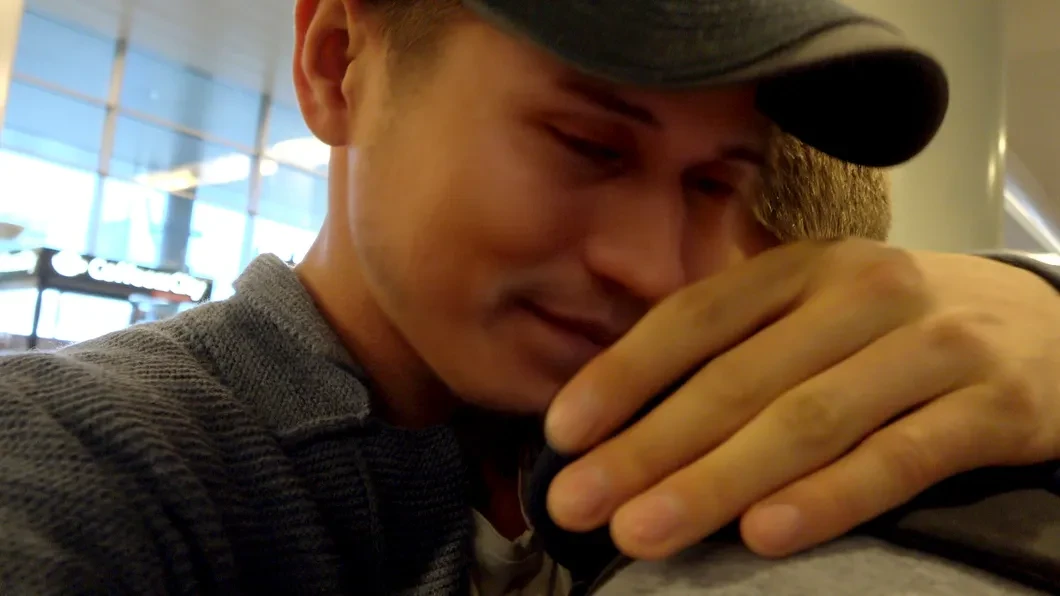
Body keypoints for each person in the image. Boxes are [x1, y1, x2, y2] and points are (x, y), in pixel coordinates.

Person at [2, 1, 1060, 594]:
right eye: (587, 145)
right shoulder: (94, 460)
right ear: (337, 62)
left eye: (712, 184)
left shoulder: (690, 438)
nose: (655, 267)